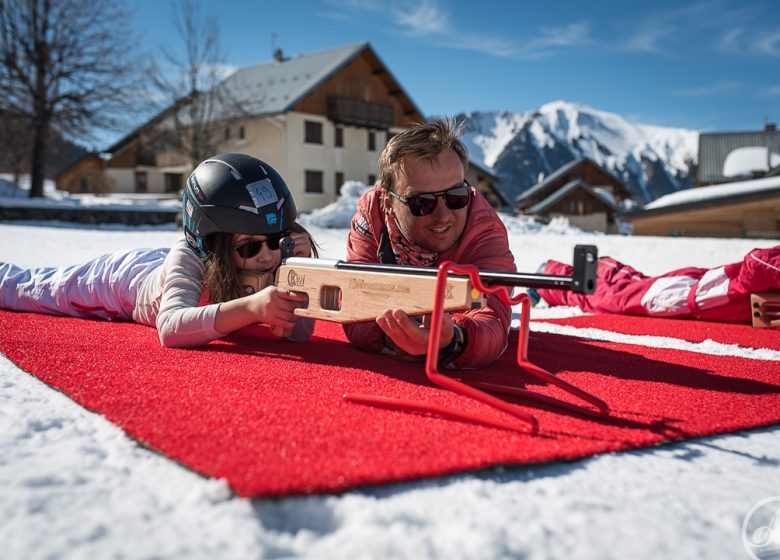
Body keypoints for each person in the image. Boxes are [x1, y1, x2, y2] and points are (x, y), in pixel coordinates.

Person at [0, 153, 317, 347]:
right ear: (211, 242)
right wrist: (251, 308)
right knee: (39, 289)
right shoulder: (191, 256)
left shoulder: (277, 258)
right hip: (123, 282)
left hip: (156, 267)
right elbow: (171, 328)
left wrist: (301, 281)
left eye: (277, 241)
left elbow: (299, 335)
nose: (268, 256)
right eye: (249, 247)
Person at [344, 117, 516, 368]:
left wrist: (454, 340)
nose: (444, 216)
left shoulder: (484, 229)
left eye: (456, 196)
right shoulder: (372, 216)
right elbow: (354, 307)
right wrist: (398, 336)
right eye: (421, 203)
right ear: (388, 202)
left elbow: (493, 318)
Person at [535, 246, 780, 323]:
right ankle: (551, 276)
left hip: (703, 302)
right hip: (696, 292)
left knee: (624, 292)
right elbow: (758, 262)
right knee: (615, 300)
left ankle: (606, 269)